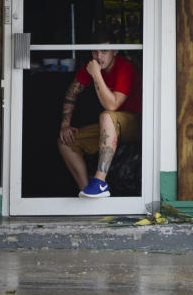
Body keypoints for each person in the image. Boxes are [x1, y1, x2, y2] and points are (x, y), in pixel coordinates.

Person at [57, 31, 142, 198]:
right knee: (65, 142)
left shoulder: (124, 67)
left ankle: (100, 182)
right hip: (111, 126)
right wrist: (65, 125)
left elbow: (112, 105)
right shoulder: (93, 65)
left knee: (106, 115)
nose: (99, 56)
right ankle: (88, 193)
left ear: (115, 51)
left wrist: (95, 74)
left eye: (104, 51)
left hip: (137, 122)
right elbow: (71, 93)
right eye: (95, 51)